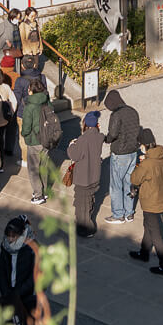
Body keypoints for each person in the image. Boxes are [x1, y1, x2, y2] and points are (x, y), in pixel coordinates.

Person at [0, 216, 47, 325]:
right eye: (8, 236)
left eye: (14, 237)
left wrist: (18, 293)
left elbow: (35, 276)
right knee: (10, 320)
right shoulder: (5, 246)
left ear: (21, 234)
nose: (10, 239)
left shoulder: (33, 248)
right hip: (11, 291)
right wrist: (6, 291)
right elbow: (1, 269)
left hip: (29, 294)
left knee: (28, 324)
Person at [128, 128, 163, 275]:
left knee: (155, 233)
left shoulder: (147, 164)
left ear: (143, 145)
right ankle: (144, 252)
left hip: (151, 201)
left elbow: (134, 179)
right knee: (148, 225)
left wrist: (142, 163)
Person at [100, 89, 141, 224]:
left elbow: (112, 134)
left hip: (120, 153)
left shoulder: (116, 115)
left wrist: (106, 139)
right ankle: (129, 213)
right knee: (129, 183)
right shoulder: (133, 111)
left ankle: (118, 215)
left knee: (116, 185)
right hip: (133, 152)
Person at [65, 110, 104, 238]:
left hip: (84, 178)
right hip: (94, 177)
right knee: (89, 200)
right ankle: (85, 223)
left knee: (82, 204)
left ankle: (86, 228)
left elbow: (75, 155)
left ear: (85, 124)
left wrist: (71, 145)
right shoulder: (99, 137)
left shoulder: (83, 139)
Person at [19, 83, 51, 205]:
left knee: (33, 169)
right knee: (43, 166)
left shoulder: (30, 106)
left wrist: (24, 134)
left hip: (34, 141)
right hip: (46, 139)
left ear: (31, 91)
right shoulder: (47, 101)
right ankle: (44, 190)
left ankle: (38, 195)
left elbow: (26, 127)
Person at [0, 68, 20, 167]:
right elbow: (14, 101)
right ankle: (0, 164)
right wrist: (11, 114)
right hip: (4, 119)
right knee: (0, 141)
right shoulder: (6, 87)